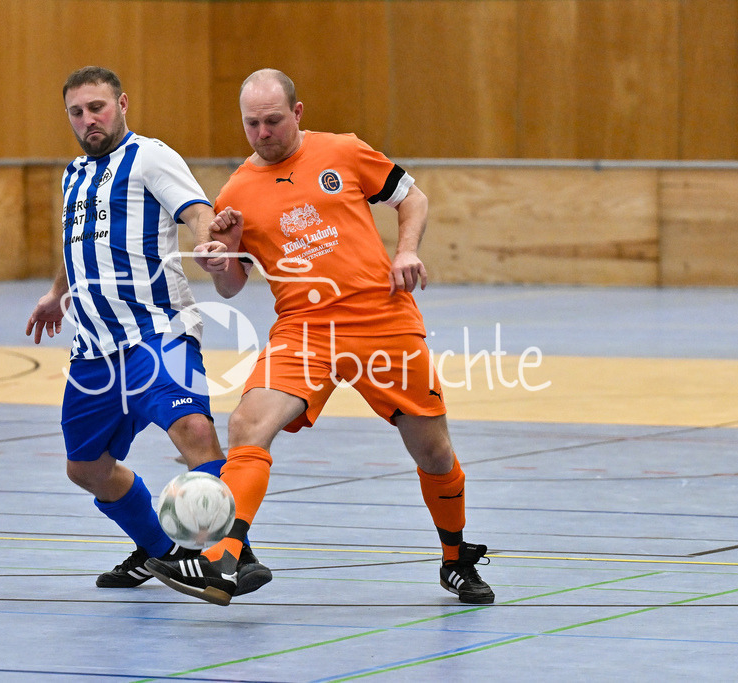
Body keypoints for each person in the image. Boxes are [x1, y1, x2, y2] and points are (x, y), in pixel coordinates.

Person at [146, 68, 494, 606]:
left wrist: (405, 250)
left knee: (434, 452)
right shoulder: (236, 191)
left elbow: (413, 199)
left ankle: (454, 557)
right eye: (252, 123)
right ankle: (221, 561)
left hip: (382, 319)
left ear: (298, 112)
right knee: (245, 424)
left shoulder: (345, 152)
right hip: (304, 331)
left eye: (273, 120)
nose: (263, 132)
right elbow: (234, 285)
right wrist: (221, 257)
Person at [26, 66, 269, 594]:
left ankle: (233, 553)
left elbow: (198, 210)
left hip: (158, 333)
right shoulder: (73, 174)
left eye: (98, 107)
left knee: (196, 431)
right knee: (86, 468)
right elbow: (78, 242)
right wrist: (55, 293)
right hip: (94, 351)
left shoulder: (150, 156)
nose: (89, 119)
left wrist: (208, 240)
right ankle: (160, 552)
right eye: (77, 111)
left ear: (122, 104)